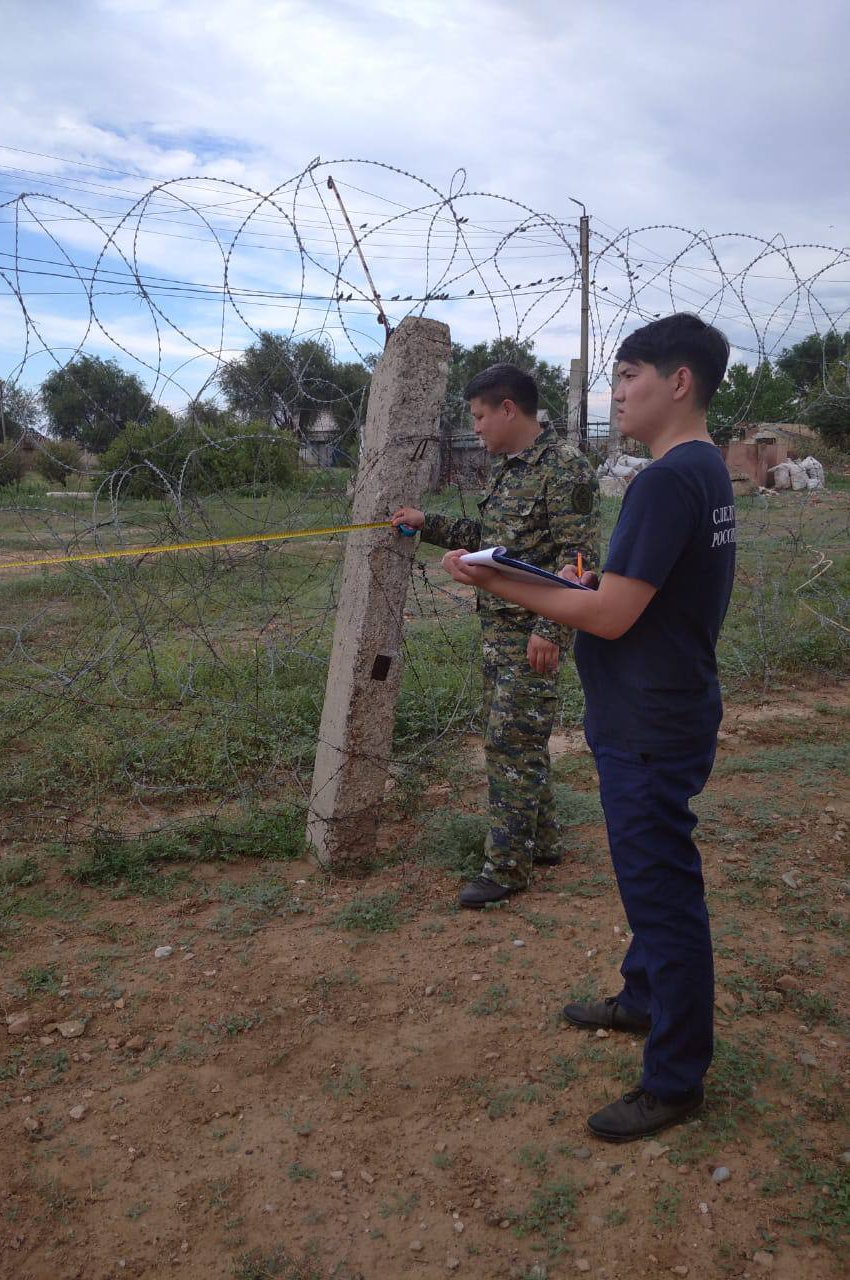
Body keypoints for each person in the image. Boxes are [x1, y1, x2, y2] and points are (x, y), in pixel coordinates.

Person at [442, 314, 735, 1142]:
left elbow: (606, 617)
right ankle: (643, 997)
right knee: (649, 874)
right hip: (666, 701)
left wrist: (497, 581)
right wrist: (571, 581)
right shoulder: (703, 471)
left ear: (677, 383)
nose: (614, 394)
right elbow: (633, 589)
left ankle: (675, 1076)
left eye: (626, 378)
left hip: (648, 714)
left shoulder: (663, 480)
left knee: (661, 891)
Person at [392, 364, 599, 907]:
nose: (477, 428)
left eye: (481, 417)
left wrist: (550, 627)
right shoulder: (508, 470)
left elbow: (579, 561)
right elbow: (491, 540)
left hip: (533, 634)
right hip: (499, 632)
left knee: (510, 745)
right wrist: (426, 522)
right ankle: (545, 840)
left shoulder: (565, 468)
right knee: (520, 742)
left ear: (508, 408)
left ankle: (506, 868)